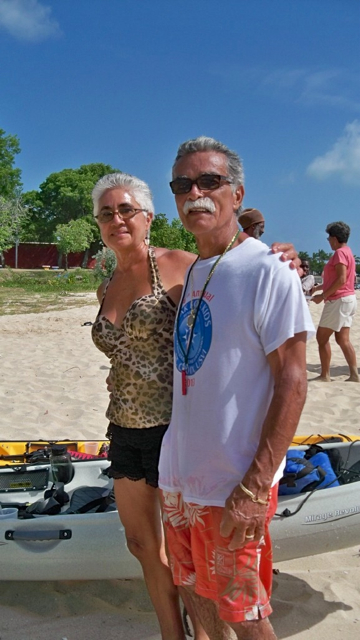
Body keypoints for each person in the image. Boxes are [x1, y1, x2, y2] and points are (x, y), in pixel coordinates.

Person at [91, 171, 302, 640]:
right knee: (143, 544)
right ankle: (173, 634)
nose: (117, 219)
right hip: (123, 427)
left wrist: (281, 255)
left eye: (126, 210)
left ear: (147, 217)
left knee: (199, 558)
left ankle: (206, 633)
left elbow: (232, 268)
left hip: (176, 428)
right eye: (106, 213)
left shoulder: (180, 265)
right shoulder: (105, 284)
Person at [158, 136, 315, 640]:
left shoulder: (270, 270)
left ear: (238, 193)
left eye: (210, 181)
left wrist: (254, 485)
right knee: (194, 591)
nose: (195, 193)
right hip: (180, 478)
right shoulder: (195, 269)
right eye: (183, 184)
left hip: (233, 482)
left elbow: (292, 381)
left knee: (244, 615)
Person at [311, 221, 359, 382]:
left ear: (335, 238)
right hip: (348, 299)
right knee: (342, 339)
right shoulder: (348, 252)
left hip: (338, 300)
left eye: (329, 238)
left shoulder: (339, 253)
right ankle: (354, 374)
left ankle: (325, 375)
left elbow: (341, 279)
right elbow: (340, 280)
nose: (328, 241)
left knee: (321, 338)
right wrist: (318, 288)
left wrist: (322, 296)